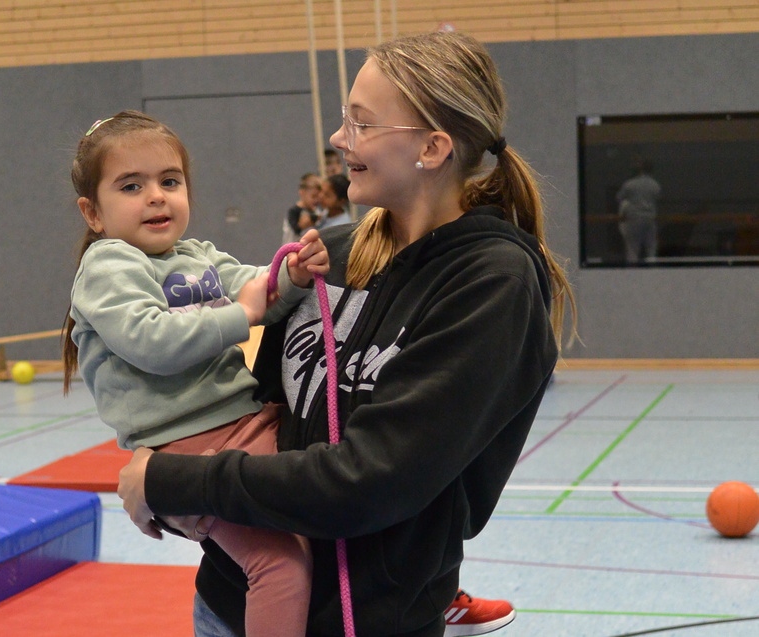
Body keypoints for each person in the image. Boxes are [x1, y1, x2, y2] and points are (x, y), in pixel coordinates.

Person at [118, 30, 575, 637]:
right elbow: (254, 414)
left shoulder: (491, 284)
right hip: (236, 603)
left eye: (361, 123)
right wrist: (179, 487)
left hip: (370, 620)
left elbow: (369, 481)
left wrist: (168, 480)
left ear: (432, 147)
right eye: (343, 120)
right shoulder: (328, 258)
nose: (339, 140)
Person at [60, 111, 330, 637]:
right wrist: (243, 314)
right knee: (279, 565)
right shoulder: (108, 266)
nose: (156, 196)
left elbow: (258, 286)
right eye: (131, 186)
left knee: (334, 504)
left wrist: (292, 275)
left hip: (247, 425)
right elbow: (150, 342)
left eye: (169, 181)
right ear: (93, 212)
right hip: (184, 450)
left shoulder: (196, 255)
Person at [616, 157, 661, 263]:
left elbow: (619, 197)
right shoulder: (655, 185)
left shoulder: (630, 184)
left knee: (632, 249)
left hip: (634, 218)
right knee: (651, 248)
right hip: (650, 218)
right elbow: (658, 197)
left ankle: (632, 275)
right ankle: (652, 273)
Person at [282, 172, 322, 244]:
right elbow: (295, 229)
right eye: (313, 196)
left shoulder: (316, 210)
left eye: (318, 197)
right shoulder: (294, 211)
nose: (316, 200)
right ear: (302, 193)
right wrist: (302, 225)